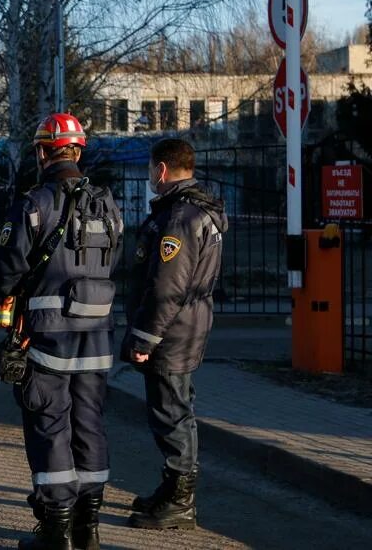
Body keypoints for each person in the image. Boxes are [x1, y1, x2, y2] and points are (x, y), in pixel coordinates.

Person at [0, 113, 123, 550]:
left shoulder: (35, 202)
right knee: (89, 425)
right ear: (78, 150)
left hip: (48, 339)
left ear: (43, 151)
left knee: (51, 426)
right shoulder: (107, 203)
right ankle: (88, 529)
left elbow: (7, 270)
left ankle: (55, 532)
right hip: (99, 335)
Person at [121, 138, 227, 530]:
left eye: (151, 170)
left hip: (171, 332)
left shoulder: (179, 218)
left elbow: (168, 286)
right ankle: (172, 491)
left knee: (171, 414)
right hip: (187, 325)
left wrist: (145, 338)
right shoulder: (200, 210)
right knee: (175, 410)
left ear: (161, 170)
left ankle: (181, 502)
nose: (150, 177)